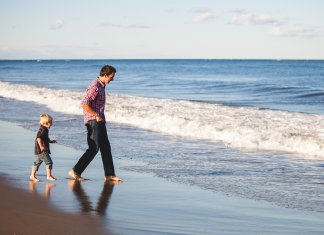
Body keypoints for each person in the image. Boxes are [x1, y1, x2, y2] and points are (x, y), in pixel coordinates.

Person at [68, 65, 123, 182]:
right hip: (93, 121)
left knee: (106, 148)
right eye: (112, 77)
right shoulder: (95, 86)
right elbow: (84, 103)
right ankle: (75, 171)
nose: (113, 79)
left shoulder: (102, 86)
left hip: (100, 120)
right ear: (105, 75)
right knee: (94, 148)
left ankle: (109, 175)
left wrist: (100, 117)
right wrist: (96, 115)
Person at [30, 114, 57, 182]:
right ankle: (49, 176)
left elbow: (44, 138)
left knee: (37, 163)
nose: (51, 124)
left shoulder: (44, 129)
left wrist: (50, 141)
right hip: (42, 151)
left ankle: (32, 176)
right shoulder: (43, 130)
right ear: (46, 123)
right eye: (50, 123)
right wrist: (42, 146)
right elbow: (39, 138)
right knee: (49, 162)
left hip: (37, 151)